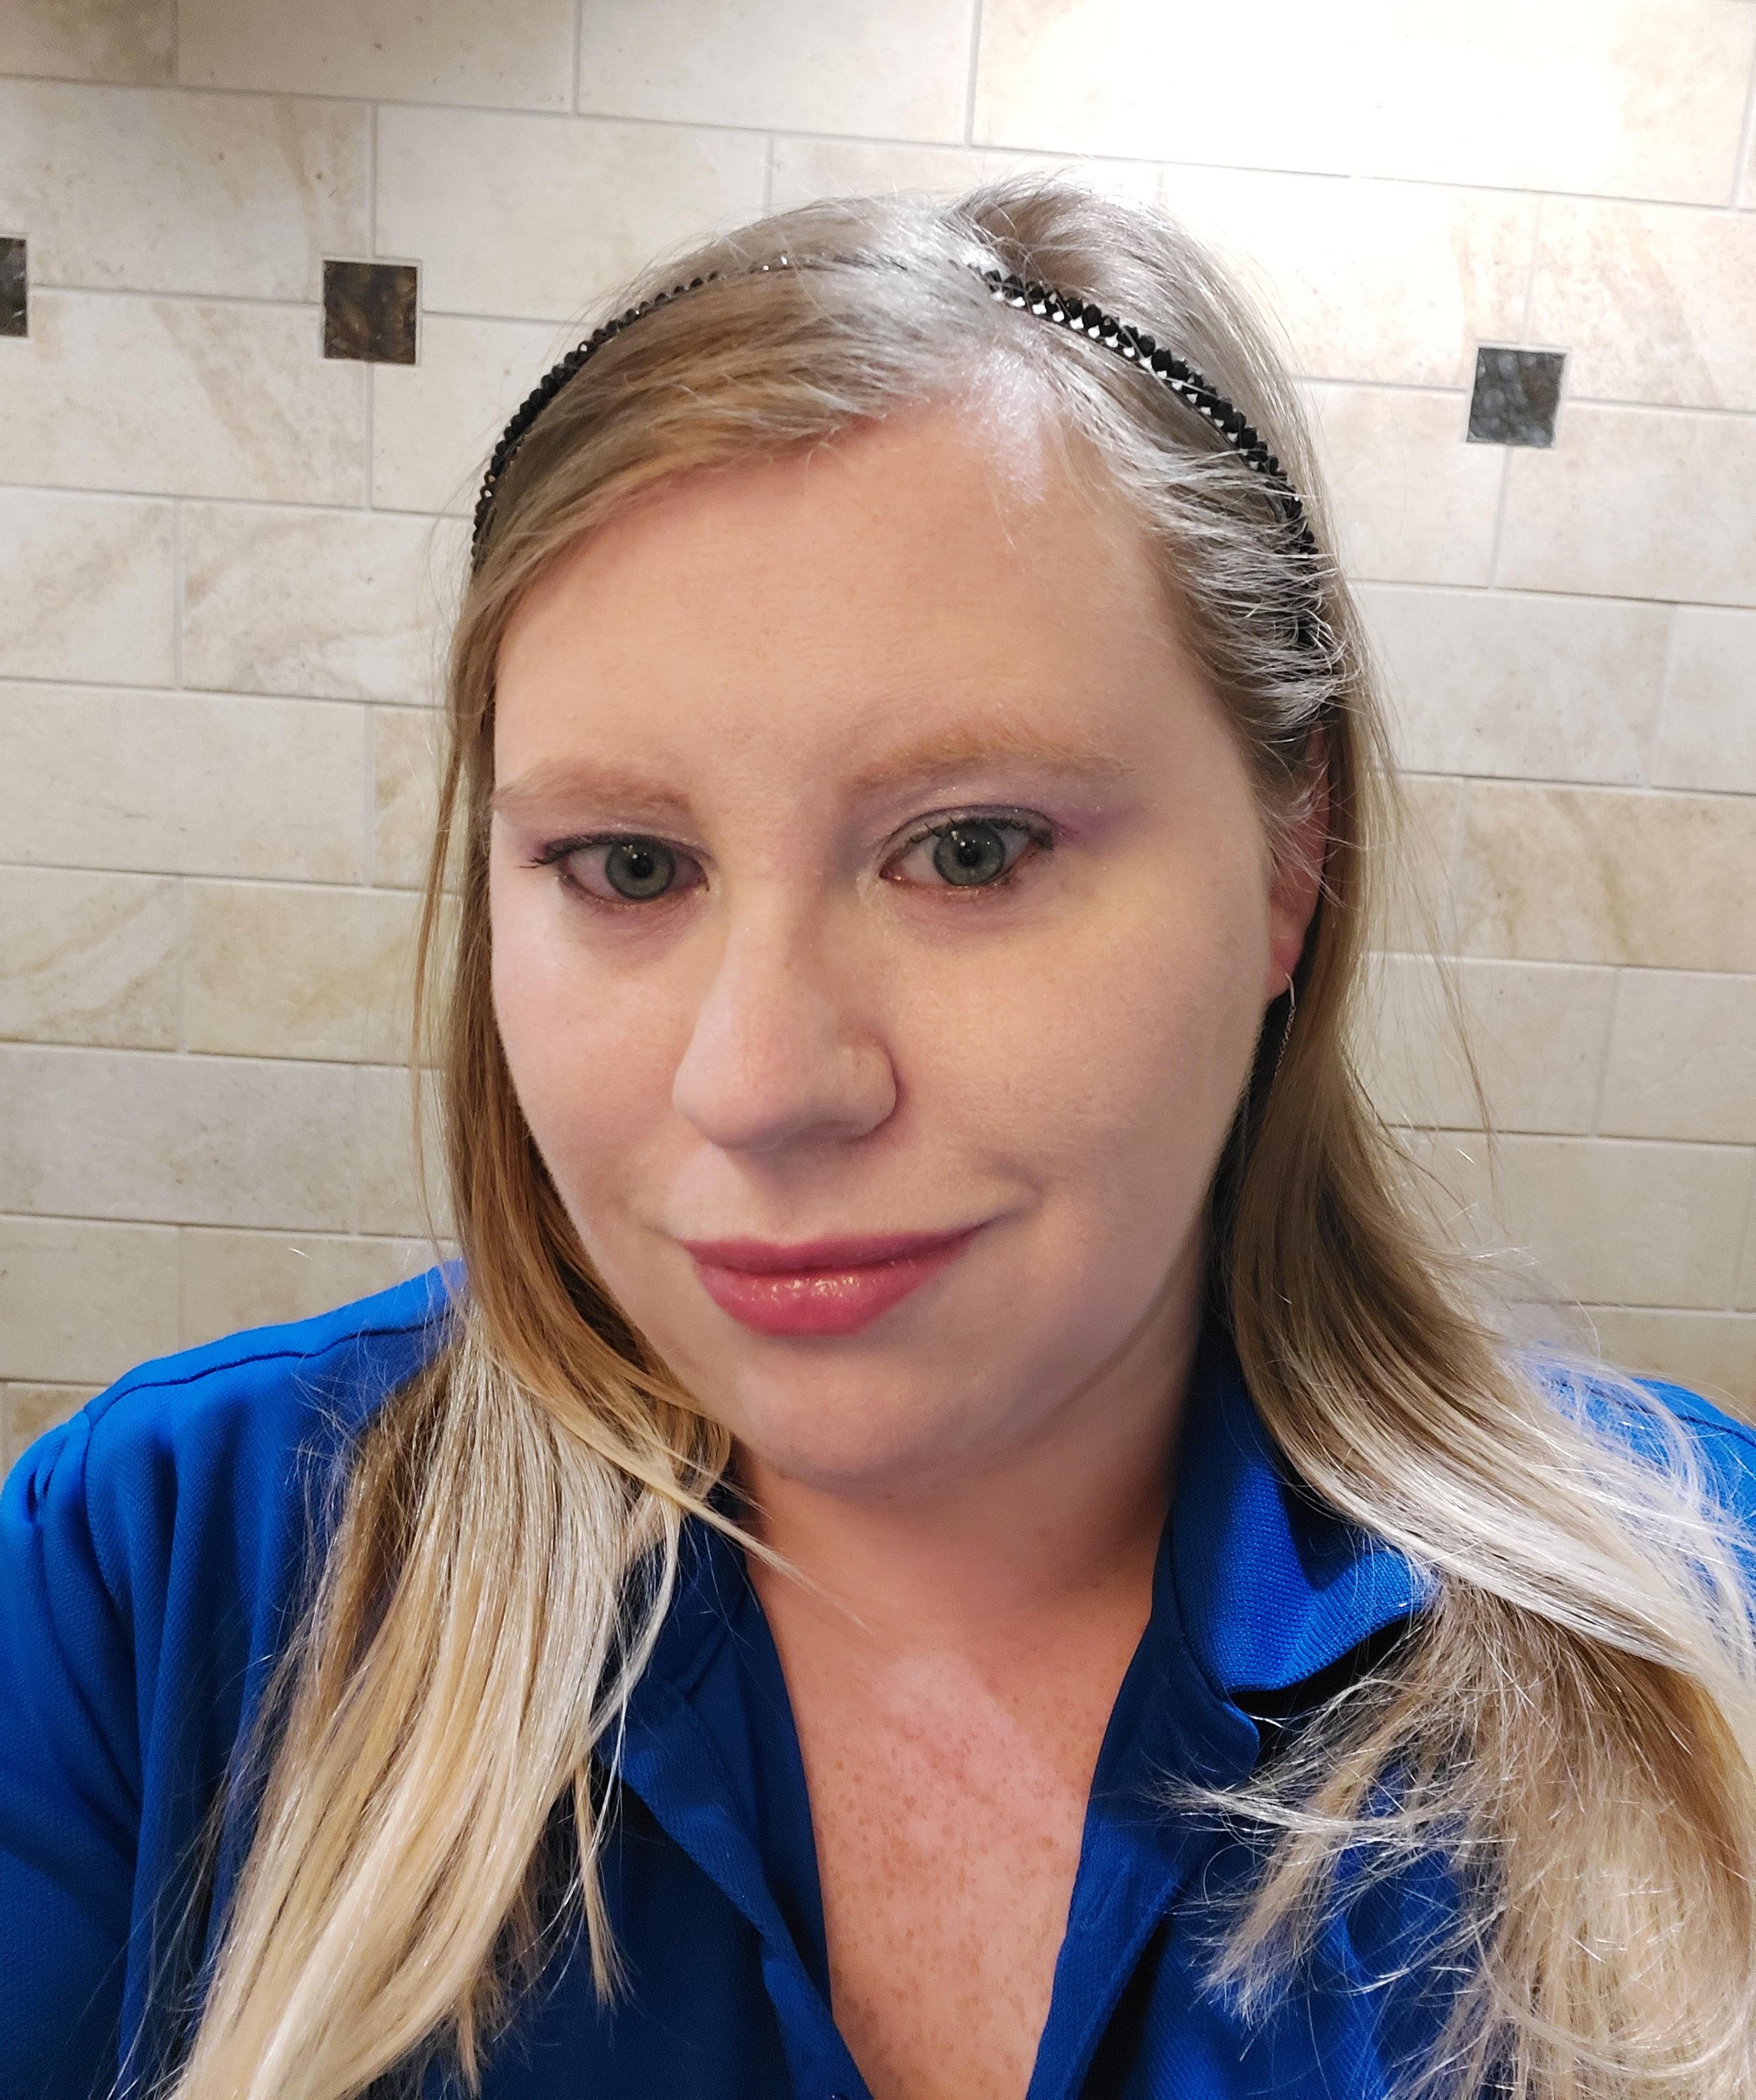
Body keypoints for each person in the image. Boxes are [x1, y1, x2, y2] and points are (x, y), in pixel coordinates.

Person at [3, 181, 1754, 2100]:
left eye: (973, 849)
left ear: (1289, 860)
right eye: (629, 865)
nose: (758, 1082)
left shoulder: (1703, 1639)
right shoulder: (157, 1578)